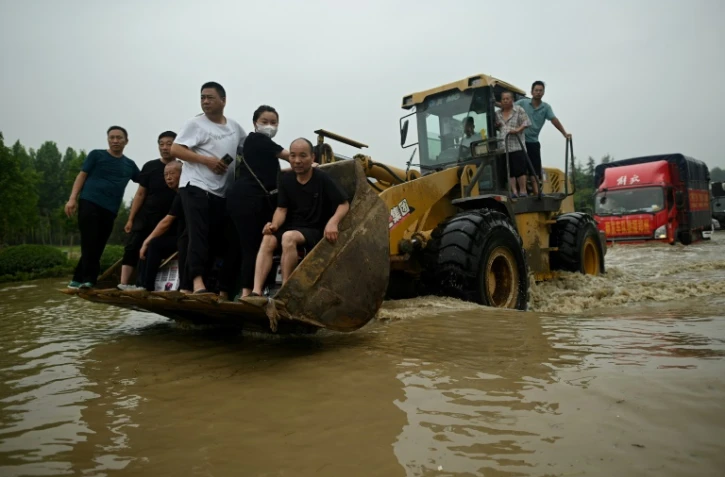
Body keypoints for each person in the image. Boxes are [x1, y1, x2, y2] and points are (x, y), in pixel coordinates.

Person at [170, 81, 247, 294]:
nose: (205, 101)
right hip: (195, 185)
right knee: (198, 234)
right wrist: (207, 161)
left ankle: (186, 286)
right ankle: (197, 283)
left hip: (221, 191)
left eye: (210, 97)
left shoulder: (234, 127)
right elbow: (176, 149)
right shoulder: (195, 124)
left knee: (213, 237)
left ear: (223, 100)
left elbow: (248, 148)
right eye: (202, 97)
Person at [250, 138, 349, 297]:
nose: (297, 161)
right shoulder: (285, 179)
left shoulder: (322, 178)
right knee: (268, 238)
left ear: (312, 158)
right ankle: (256, 292)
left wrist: (333, 223)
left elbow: (344, 204)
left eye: (303, 156)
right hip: (291, 226)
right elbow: (281, 209)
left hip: (313, 229)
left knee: (288, 238)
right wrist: (274, 225)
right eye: (293, 156)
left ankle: (285, 292)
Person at [225, 105, 291, 299]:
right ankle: (247, 294)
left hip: (241, 198)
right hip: (248, 200)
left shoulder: (257, 147)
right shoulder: (258, 139)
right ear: (255, 123)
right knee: (252, 247)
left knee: (238, 246)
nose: (269, 126)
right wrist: (308, 162)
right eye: (265, 122)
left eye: (273, 122)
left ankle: (226, 292)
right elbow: (290, 157)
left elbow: (274, 174)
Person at [64, 126, 140, 289]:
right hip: (89, 202)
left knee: (99, 244)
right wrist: (72, 199)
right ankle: (89, 279)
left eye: (119, 138)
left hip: (110, 209)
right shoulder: (96, 155)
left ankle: (77, 279)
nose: (115, 141)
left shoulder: (130, 165)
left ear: (126, 141)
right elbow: (81, 176)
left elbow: (145, 181)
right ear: (108, 140)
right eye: (111, 137)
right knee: (89, 240)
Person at [118, 131, 178, 290]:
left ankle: (145, 284)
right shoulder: (150, 166)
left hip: (168, 217)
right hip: (146, 215)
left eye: (169, 143)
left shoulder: (181, 168)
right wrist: (131, 218)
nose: (165, 147)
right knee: (133, 246)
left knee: (153, 247)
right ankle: (123, 283)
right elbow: (140, 193)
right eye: (161, 144)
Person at [136, 161, 191, 292]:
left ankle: (146, 287)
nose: (168, 177)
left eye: (172, 173)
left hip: (189, 239)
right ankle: (140, 284)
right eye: (165, 174)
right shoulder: (178, 194)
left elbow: (166, 222)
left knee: (153, 244)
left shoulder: (185, 192)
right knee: (152, 244)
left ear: (182, 174)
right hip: (180, 237)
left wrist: (147, 241)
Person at [515, 81, 571, 193]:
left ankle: (537, 191)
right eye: (536, 90)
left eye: (540, 90)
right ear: (532, 92)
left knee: (534, 167)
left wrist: (564, 133)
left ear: (543, 92)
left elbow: (554, 120)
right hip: (520, 140)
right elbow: (508, 108)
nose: (538, 92)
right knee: (520, 165)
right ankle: (522, 190)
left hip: (533, 141)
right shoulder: (523, 103)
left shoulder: (546, 108)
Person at [495, 92, 531, 197]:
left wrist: (517, 130)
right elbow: (497, 126)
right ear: (501, 101)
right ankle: (514, 191)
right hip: (504, 146)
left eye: (507, 98)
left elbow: (526, 122)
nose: (505, 100)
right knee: (509, 171)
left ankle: (523, 191)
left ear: (512, 100)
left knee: (520, 170)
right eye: (503, 99)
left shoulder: (519, 110)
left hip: (517, 145)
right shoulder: (497, 114)